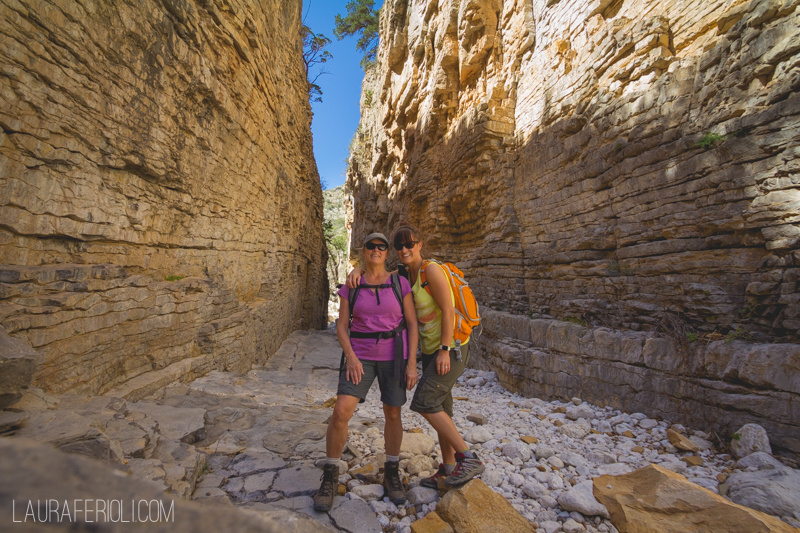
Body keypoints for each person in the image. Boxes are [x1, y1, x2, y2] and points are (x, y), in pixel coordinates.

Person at [347, 224, 484, 489]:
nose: (404, 249)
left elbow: (447, 310)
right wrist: (358, 270)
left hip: (452, 348)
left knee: (425, 402)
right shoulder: (405, 274)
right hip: (432, 351)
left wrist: (444, 350)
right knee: (442, 407)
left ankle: (469, 458)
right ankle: (448, 468)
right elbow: (377, 273)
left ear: (420, 244)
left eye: (410, 244)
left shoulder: (430, 270)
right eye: (399, 246)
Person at [313, 233, 419, 512]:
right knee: (340, 413)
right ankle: (331, 474)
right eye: (371, 246)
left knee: (393, 413)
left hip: (394, 356)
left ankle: (392, 471)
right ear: (364, 251)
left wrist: (411, 364)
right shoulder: (353, 284)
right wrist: (350, 357)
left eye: (381, 246)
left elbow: (411, 324)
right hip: (359, 357)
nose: (376, 249)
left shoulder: (400, 283)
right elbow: (341, 325)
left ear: (387, 253)